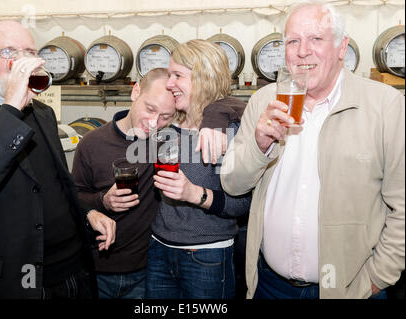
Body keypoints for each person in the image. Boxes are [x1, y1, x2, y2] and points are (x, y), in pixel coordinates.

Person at [221, 1, 405, 299]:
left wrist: (377, 277)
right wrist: (259, 144)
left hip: (351, 288)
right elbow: (232, 183)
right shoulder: (264, 101)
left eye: (315, 39)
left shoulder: (385, 105)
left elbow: (402, 206)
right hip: (270, 285)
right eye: (293, 41)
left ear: (341, 47)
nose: (302, 51)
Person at [0, 20, 115, 299]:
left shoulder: (42, 112)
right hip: (16, 280)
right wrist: (10, 107)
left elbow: (54, 184)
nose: (21, 61)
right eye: (9, 52)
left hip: (72, 269)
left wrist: (87, 213)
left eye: (28, 52)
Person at [145, 39, 251, 299]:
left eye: (177, 75)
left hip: (207, 256)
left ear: (203, 77)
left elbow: (243, 204)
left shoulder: (228, 132)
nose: (169, 83)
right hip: (159, 249)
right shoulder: (169, 126)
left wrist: (193, 194)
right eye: (170, 75)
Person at [71, 68, 177, 299]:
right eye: (150, 109)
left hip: (147, 272)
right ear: (135, 91)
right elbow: (72, 197)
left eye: (166, 117)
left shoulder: (165, 143)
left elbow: (222, 106)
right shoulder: (91, 144)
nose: (154, 122)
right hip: (97, 270)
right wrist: (102, 201)